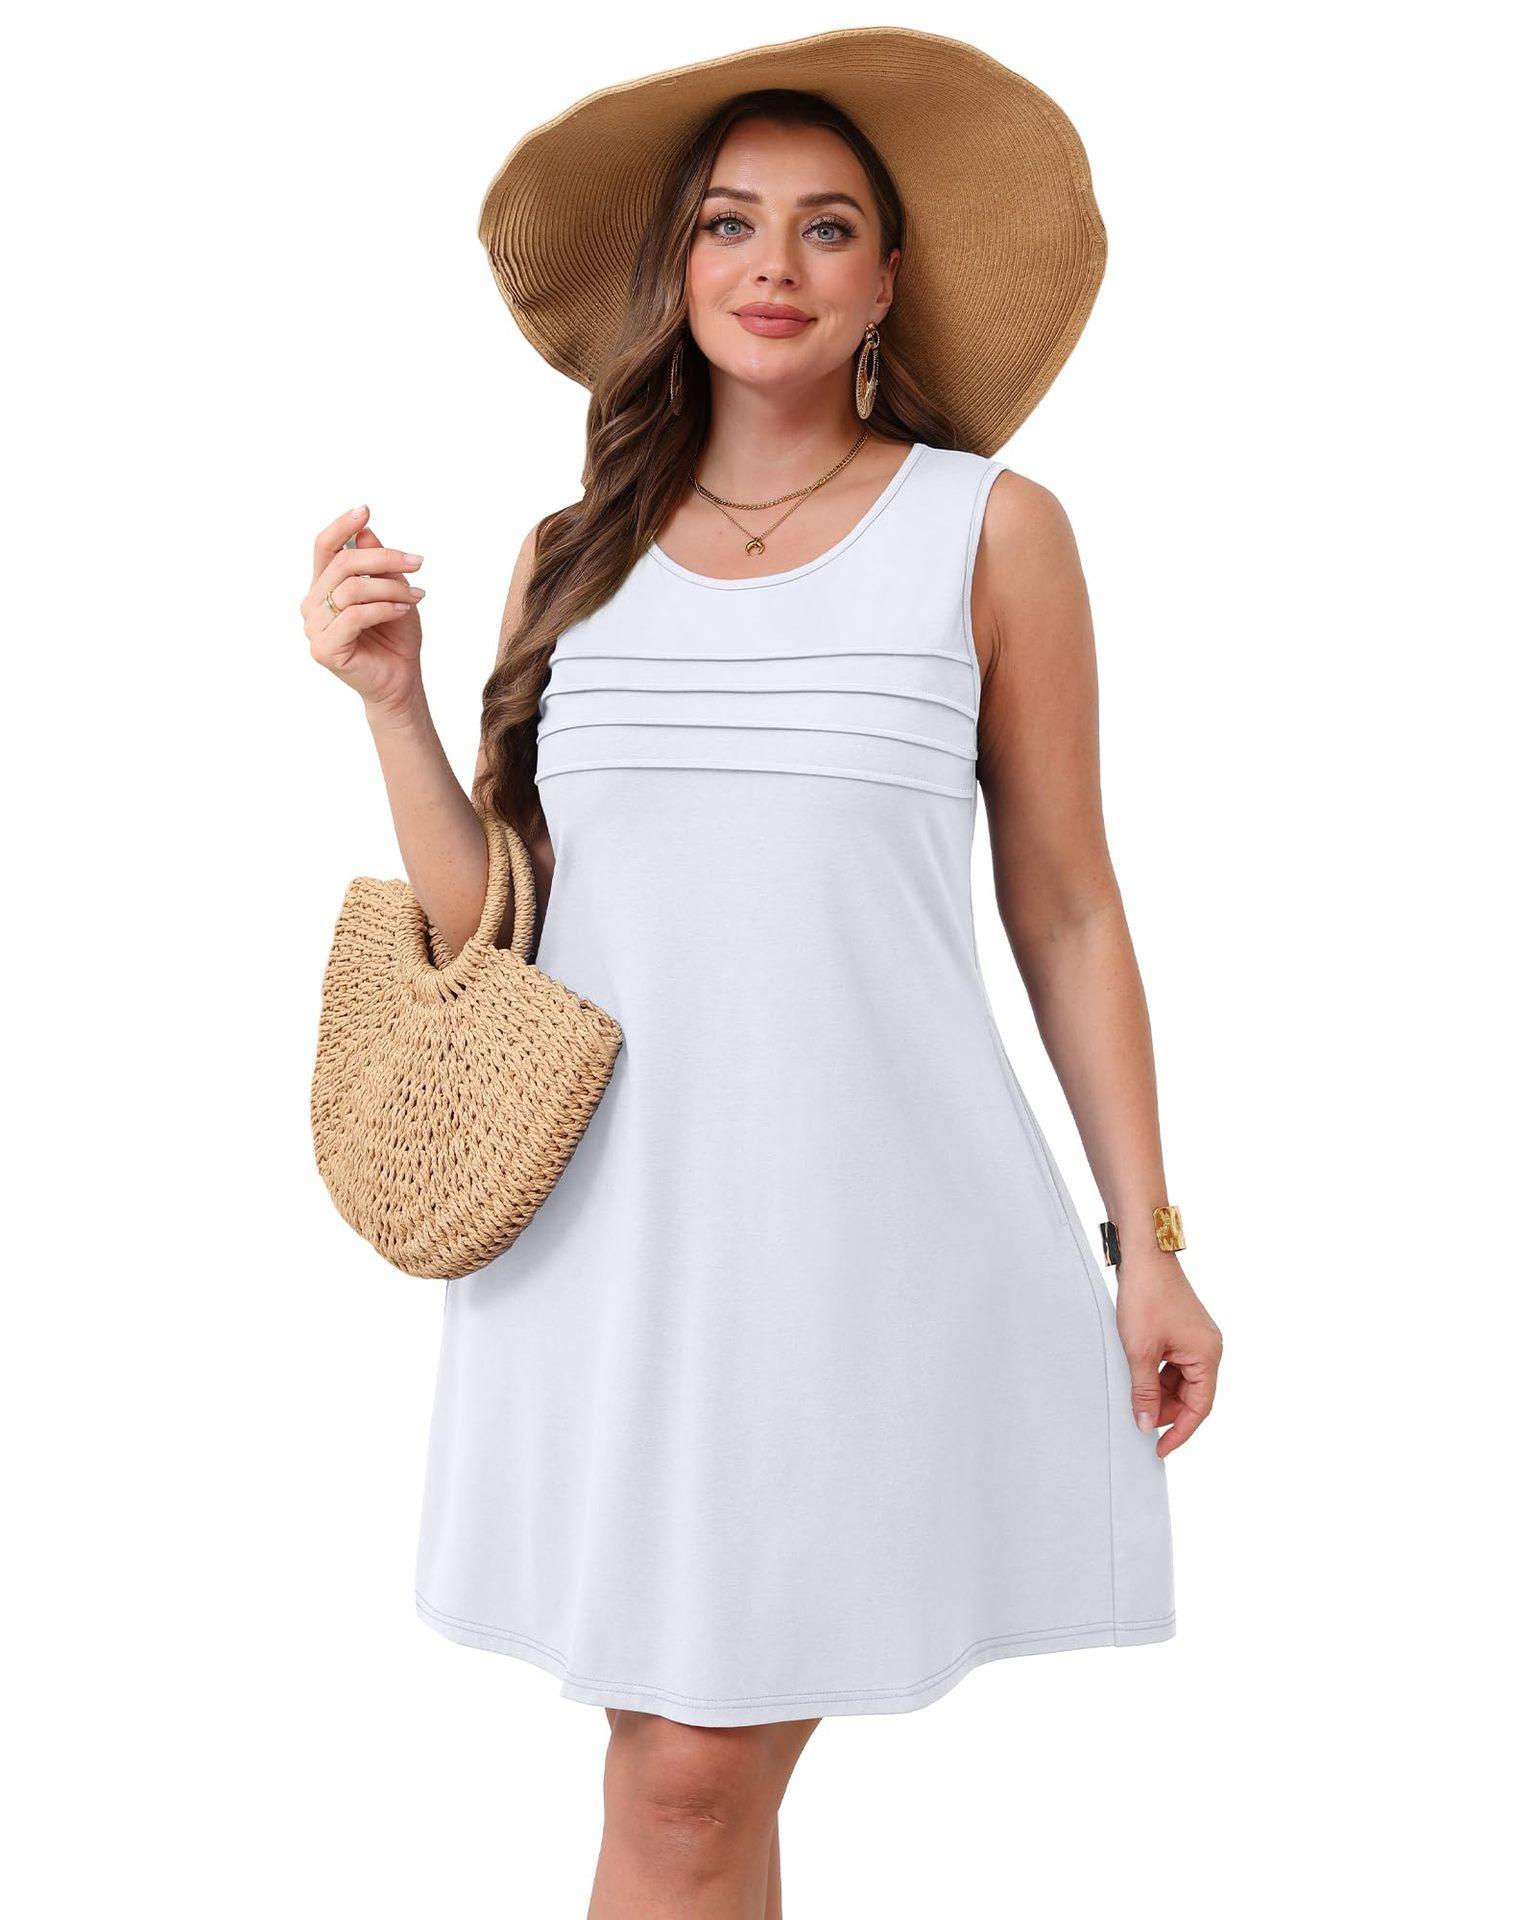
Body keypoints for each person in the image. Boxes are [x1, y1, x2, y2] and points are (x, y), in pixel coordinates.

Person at [301, 28, 1222, 1918]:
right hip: (609, 1253)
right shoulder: (571, 557)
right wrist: (393, 706)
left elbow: (1066, 905)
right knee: (684, 1790)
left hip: (860, 1246)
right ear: (678, 267)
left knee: (687, 1785)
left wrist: (1149, 1239)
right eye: (730, 224)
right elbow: (501, 928)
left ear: (888, 279)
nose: (773, 265)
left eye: (826, 227)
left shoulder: (992, 532)